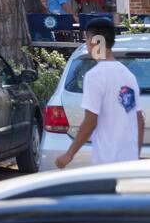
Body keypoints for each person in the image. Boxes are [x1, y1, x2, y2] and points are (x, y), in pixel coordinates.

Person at [56, 18, 145, 168]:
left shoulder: (95, 75)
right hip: (129, 163)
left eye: (87, 39)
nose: (86, 44)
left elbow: (90, 121)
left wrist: (69, 154)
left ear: (94, 41)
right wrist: (135, 154)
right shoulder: (128, 75)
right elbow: (139, 119)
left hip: (107, 162)